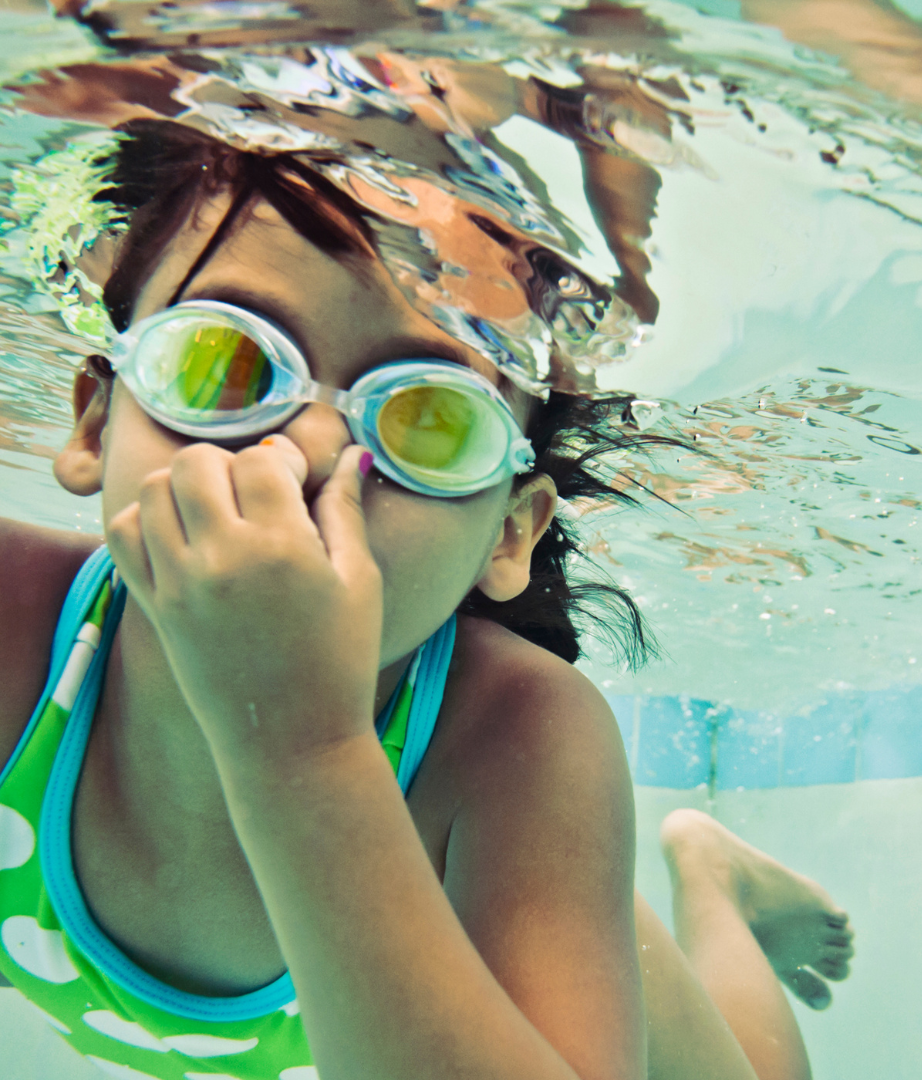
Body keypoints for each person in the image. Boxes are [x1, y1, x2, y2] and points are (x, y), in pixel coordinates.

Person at [0, 118, 854, 1080]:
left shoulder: (517, 741)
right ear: (96, 417)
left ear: (509, 532)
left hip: (511, 888)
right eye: (223, 365)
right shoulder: (11, 628)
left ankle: (712, 878)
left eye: (431, 421)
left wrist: (298, 743)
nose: (311, 450)